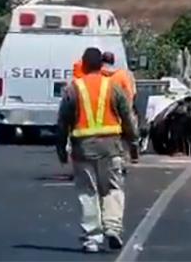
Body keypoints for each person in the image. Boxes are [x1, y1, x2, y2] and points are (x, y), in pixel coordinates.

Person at [57, 47, 139, 253]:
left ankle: (92, 238)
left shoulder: (74, 88)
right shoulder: (112, 86)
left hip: (82, 149)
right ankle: (112, 228)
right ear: (102, 65)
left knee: (88, 192)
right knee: (112, 188)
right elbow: (128, 117)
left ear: (83, 65)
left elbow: (62, 122)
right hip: (111, 148)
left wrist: (60, 148)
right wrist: (133, 142)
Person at [101, 51, 139, 163]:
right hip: (123, 109)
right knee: (131, 131)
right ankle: (134, 153)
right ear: (113, 61)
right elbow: (131, 92)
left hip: (103, 110)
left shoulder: (97, 74)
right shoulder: (123, 75)